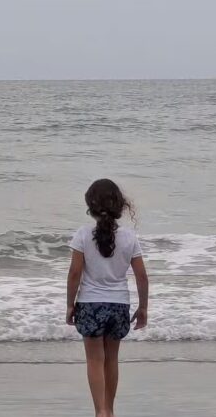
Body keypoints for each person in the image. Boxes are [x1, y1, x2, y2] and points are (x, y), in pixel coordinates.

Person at [66, 179, 149, 417]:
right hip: (119, 305)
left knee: (94, 360)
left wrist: (70, 305)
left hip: (90, 303)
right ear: (119, 205)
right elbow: (142, 277)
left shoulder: (82, 235)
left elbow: (74, 274)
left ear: (90, 206)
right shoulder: (129, 237)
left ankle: (99, 412)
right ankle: (110, 411)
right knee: (111, 360)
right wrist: (143, 308)